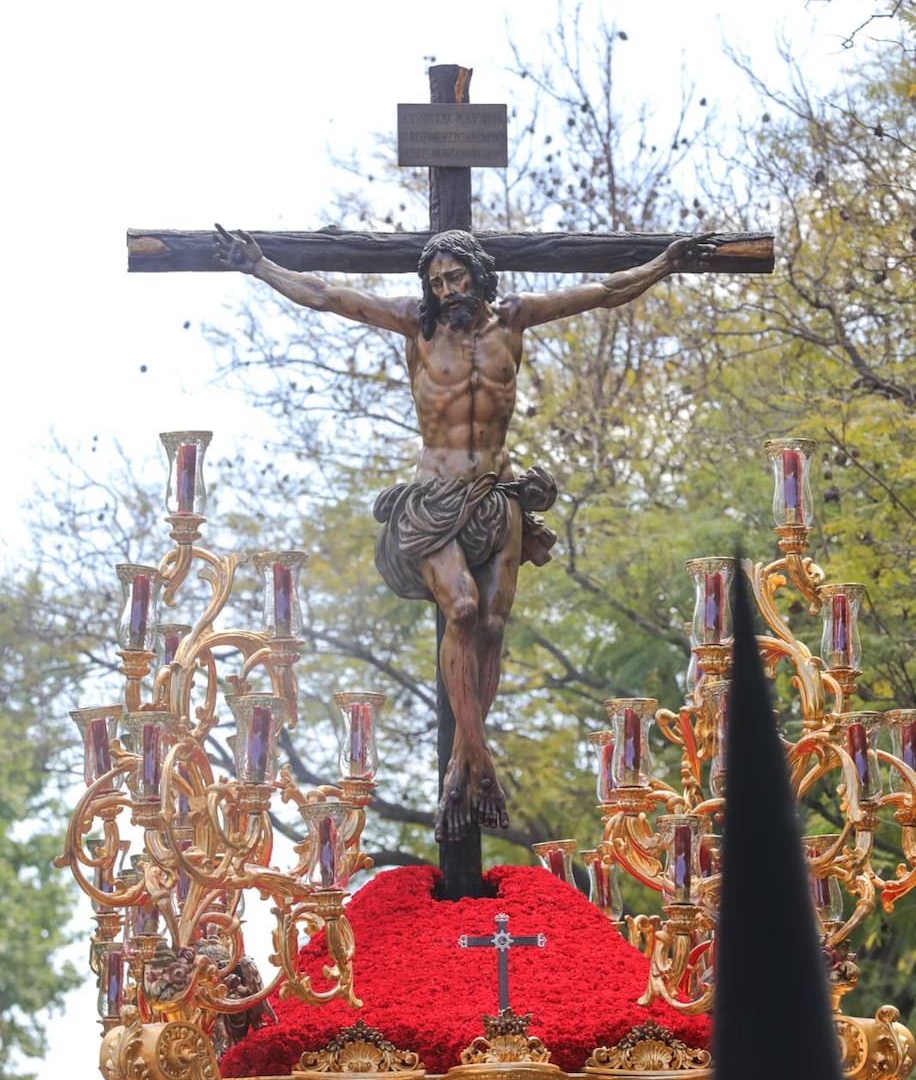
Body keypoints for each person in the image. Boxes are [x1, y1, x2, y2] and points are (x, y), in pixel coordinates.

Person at [215, 223, 712, 842]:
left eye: (456, 276)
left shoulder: (515, 318)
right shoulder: (414, 326)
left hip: (496, 496)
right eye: (437, 281)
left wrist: (664, 264)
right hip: (436, 497)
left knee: (495, 628)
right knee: (465, 610)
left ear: (479, 273)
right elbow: (324, 294)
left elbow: (607, 291)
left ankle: (462, 765)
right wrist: (260, 267)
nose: (447, 289)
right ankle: (482, 764)